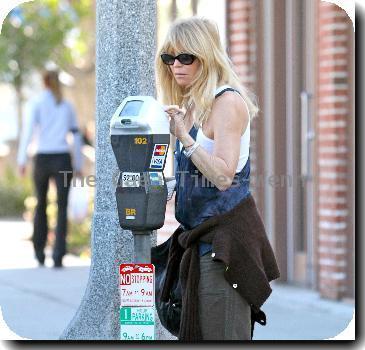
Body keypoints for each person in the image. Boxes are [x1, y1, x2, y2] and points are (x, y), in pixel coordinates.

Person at [155, 17, 280, 341]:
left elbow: (224, 176)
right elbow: (195, 177)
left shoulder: (227, 102)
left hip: (225, 242)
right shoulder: (193, 105)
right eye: (169, 58)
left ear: (206, 56)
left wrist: (184, 138)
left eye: (186, 57)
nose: (176, 66)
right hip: (200, 240)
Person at [17, 70, 83, 268]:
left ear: (43, 81)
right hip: (62, 158)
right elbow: (77, 136)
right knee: (62, 207)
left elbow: (28, 131)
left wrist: (22, 159)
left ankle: (39, 252)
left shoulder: (36, 103)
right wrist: (78, 163)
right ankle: (58, 254)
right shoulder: (67, 105)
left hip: (42, 158)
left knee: (40, 205)